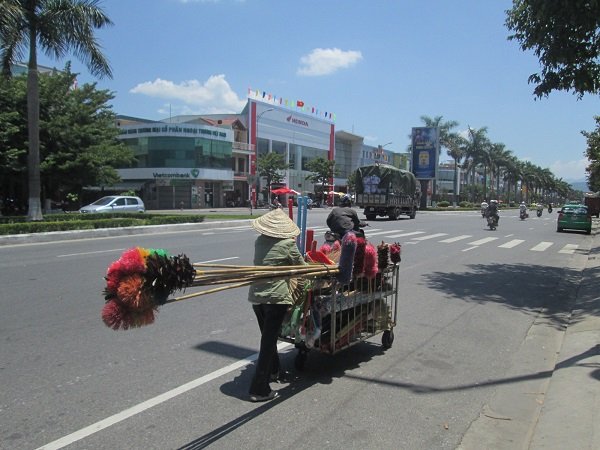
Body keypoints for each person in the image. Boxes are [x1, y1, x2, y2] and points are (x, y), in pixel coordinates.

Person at [247, 208, 307, 402]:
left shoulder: (259, 241)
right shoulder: (288, 244)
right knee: (268, 341)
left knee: (267, 338)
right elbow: (301, 267)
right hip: (276, 299)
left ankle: (274, 372)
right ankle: (259, 389)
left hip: (256, 296)